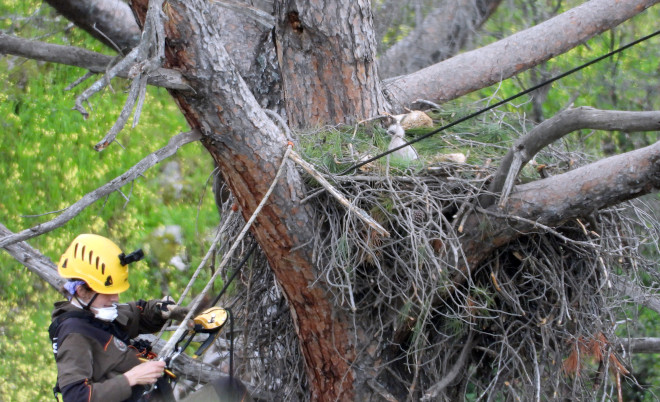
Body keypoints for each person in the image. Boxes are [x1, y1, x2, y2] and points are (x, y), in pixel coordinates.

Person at [49, 234, 189, 402]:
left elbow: (136, 313)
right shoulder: (74, 335)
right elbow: (76, 396)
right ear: (81, 291)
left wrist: (161, 310)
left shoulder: (97, 312)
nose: (115, 298)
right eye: (108, 293)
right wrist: (131, 378)